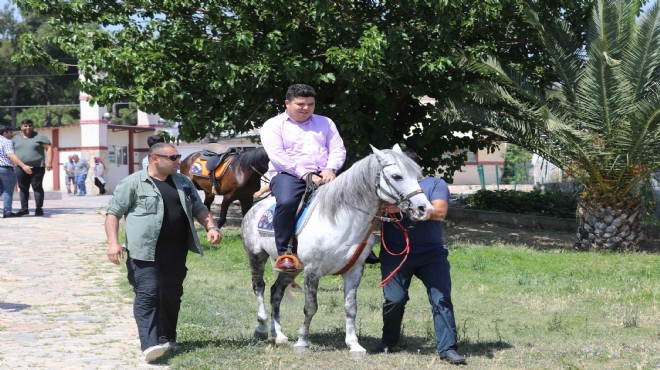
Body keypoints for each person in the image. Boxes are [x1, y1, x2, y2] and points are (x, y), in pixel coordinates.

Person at [105, 142, 222, 363]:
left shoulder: (183, 182)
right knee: (148, 293)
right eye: (173, 158)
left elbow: (199, 207)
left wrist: (211, 227)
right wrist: (113, 243)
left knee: (171, 295)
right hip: (144, 251)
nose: (179, 161)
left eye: (178, 157)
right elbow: (113, 214)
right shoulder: (133, 183)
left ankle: (168, 337)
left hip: (176, 250)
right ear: (155, 159)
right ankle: (150, 345)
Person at [376, 147, 466, 365]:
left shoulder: (435, 184)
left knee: (441, 299)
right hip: (395, 254)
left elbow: (440, 212)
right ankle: (388, 341)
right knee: (394, 299)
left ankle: (448, 349)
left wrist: (402, 208)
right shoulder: (387, 186)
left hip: (431, 254)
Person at [260, 83, 346, 272]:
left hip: (324, 173)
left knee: (351, 199)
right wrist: (305, 174)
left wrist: (331, 168)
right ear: (287, 103)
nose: (306, 108)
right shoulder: (273, 125)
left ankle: (355, 248)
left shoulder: (326, 122)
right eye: (300, 104)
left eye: (311, 104)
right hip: (287, 174)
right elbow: (278, 156)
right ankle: (285, 253)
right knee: (288, 201)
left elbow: (337, 148)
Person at [11, 119, 53, 216]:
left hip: (38, 167)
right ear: (21, 127)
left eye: (30, 125)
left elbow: (49, 148)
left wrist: (49, 162)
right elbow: (10, 152)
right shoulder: (15, 139)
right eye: (25, 126)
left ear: (33, 126)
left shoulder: (40, 137)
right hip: (20, 167)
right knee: (23, 188)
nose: (28, 128)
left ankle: (39, 208)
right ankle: (24, 209)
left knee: (37, 187)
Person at [0, 124, 32, 218]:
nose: (12, 134)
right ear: (5, 133)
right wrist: (23, 166)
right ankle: (7, 212)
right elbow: (10, 155)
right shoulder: (6, 141)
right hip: (5, 169)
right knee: (7, 191)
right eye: (10, 132)